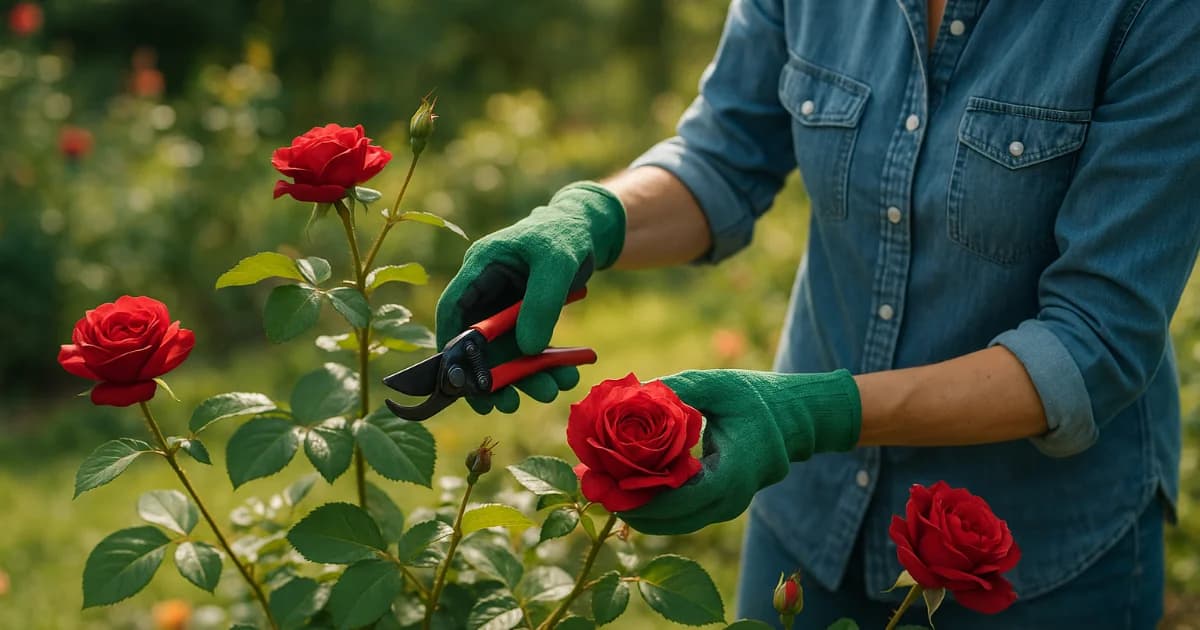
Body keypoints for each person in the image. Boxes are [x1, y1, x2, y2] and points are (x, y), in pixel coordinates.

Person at [435, 1, 1200, 627]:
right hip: (811, 516)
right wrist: (589, 219)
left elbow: (1093, 342)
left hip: (1032, 555)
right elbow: (725, 154)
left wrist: (814, 416)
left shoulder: (1154, 16)